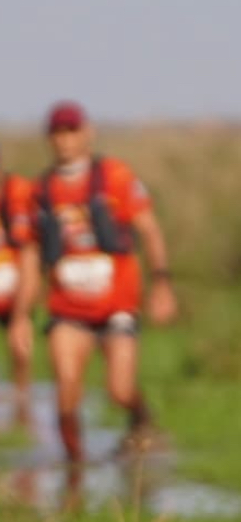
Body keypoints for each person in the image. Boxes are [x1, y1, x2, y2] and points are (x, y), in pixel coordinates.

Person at [9, 100, 177, 465]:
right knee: (66, 394)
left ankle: (140, 420)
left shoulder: (115, 177)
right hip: (68, 310)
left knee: (119, 389)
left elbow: (149, 228)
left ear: (87, 133)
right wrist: (21, 315)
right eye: (57, 132)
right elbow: (31, 257)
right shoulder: (40, 192)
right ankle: (76, 472)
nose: (65, 140)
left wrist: (161, 282)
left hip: (116, 304)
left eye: (71, 131)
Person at [0, 154, 35, 426]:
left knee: (20, 348)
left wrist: (22, 312)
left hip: (15, 287)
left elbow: (29, 252)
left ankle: (22, 407)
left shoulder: (19, 193)